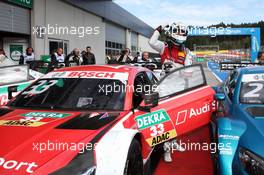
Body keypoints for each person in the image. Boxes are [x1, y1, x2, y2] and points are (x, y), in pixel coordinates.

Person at [149, 22, 192, 163]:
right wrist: (158, 30)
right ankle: (167, 150)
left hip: (178, 90)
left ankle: (174, 143)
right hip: (163, 89)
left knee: (177, 120)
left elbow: (189, 73)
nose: (177, 43)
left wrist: (176, 70)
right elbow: (151, 42)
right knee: (166, 120)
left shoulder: (187, 53)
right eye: (176, 38)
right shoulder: (163, 47)